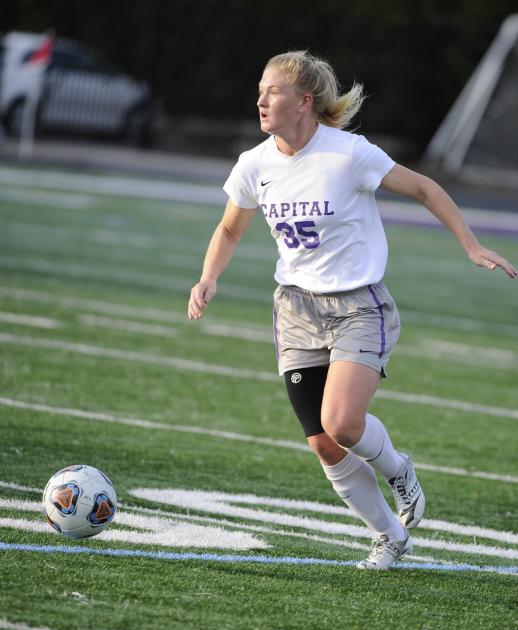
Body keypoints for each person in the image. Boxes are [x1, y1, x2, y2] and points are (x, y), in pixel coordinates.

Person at [187, 51, 517, 570]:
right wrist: (209, 277)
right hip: (294, 309)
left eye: (272, 91)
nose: (261, 99)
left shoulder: (348, 154)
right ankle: (389, 536)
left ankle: (400, 470)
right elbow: (230, 228)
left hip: (359, 306)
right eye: (260, 89)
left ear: (304, 101)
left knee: (342, 423)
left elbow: (425, 188)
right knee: (322, 443)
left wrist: (471, 245)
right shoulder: (254, 164)